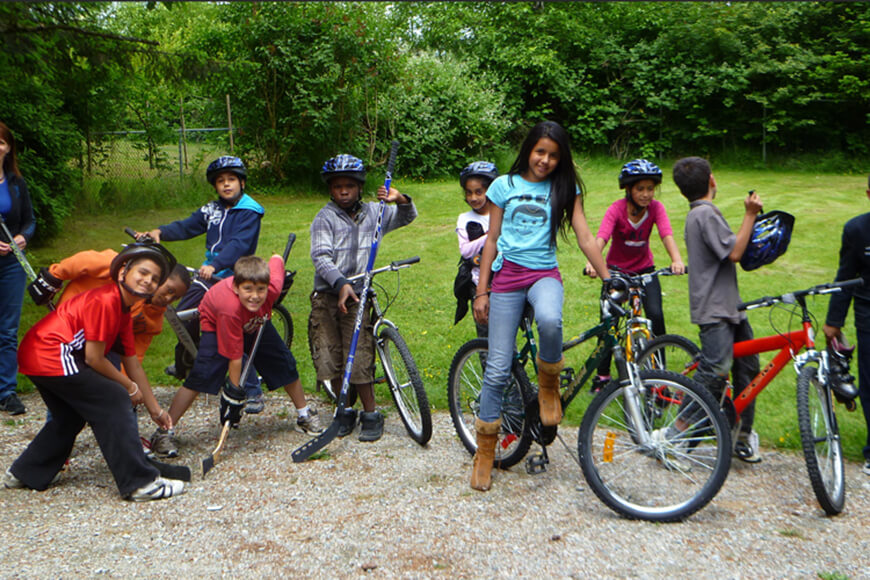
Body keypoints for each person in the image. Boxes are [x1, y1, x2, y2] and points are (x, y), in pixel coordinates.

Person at [470, 121, 611, 491]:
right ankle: (485, 452)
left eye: (553, 155)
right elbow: (492, 240)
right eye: (539, 152)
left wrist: (608, 278)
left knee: (550, 320)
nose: (545, 161)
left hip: (544, 274)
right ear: (528, 150)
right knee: (498, 368)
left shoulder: (565, 188)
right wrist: (481, 291)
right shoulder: (504, 186)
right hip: (506, 279)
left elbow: (584, 236)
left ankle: (548, 387)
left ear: (560, 158)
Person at [3, 243, 185, 501]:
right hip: (51, 353)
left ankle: (24, 473)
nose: (148, 281)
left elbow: (132, 363)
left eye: (155, 279)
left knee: (70, 417)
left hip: (37, 354)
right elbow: (95, 359)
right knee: (114, 398)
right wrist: (128, 388)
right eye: (142, 273)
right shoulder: (106, 301)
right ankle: (140, 483)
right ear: (123, 273)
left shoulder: (123, 312)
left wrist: (155, 409)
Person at [150, 254, 323, 458]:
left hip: (255, 320)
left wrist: (275, 260)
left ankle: (304, 415)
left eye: (261, 289)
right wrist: (234, 394)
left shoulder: (272, 288)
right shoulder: (228, 309)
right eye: (247, 289)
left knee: (284, 363)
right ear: (235, 287)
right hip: (216, 322)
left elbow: (276, 260)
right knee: (202, 375)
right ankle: (164, 431)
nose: (255, 296)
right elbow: (235, 356)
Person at [135, 156, 265, 412]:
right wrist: (160, 232)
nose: (226, 185)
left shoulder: (249, 212)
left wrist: (216, 264)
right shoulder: (213, 209)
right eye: (220, 181)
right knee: (186, 313)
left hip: (233, 276)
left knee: (227, 330)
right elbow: (188, 226)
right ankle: (186, 363)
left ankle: (251, 388)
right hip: (210, 274)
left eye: (231, 180)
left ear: (242, 182)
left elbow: (239, 244)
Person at [309, 154, 417, 442]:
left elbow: (407, 216)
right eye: (337, 187)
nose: (343, 191)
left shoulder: (375, 213)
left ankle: (370, 412)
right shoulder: (324, 218)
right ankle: (344, 409)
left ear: (359, 187)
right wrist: (340, 282)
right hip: (328, 295)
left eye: (349, 186)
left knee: (360, 354)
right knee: (330, 354)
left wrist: (400, 198)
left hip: (357, 297)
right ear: (330, 189)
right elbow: (320, 257)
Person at [671, 156, 763, 463]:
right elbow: (735, 252)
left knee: (748, 368)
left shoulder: (702, 213)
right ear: (712, 180)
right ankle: (677, 431)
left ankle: (741, 435)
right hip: (714, 309)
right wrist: (750, 214)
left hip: (729, 307)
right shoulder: (705, 215)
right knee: (714, 371)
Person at [584, 159, 685, 391]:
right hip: (617, 272)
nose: (646, 194)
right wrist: (593, 261)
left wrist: (676, 259)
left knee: (657, 317)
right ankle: (602, 376)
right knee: (609, 321)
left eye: (650, 189)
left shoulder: (656, 209)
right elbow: (602, 236)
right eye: (640, 189)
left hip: (645, 270)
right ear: (628, 189)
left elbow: (666, 234)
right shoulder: (616, 209)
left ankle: (660, 377)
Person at [28, 249, 191, 364]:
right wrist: (55, 275)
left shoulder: (152, 319)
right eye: (169, 290)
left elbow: (135, 352)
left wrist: (128, 384)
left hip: (95, 344)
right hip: (68, 322)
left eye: (175, 297)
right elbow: (84, 260)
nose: (168, 298)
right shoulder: (118, 267)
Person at [823, 176, 870, 476]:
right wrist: (833, 322)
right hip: (868, 315)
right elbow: (845, 278)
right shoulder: (856, 230)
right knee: (869, 383)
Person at [0, 122, 35, 416]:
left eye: (0, 142)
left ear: (8, 148)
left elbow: (30, 220)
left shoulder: (16, 183)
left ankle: (6, 391)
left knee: (8, 329)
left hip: (12, 264)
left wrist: (25, 235)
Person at [453, 161, 499, 338]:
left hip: (503, 279)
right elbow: (465, 250)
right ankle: (487, 363)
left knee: (504, 330)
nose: (473, 198)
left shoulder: (501, 213)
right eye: (469, 192)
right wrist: (489, 235)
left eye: (479, 192)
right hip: (478, 281)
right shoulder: (465, 219)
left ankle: (512, 364)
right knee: (485, 330)